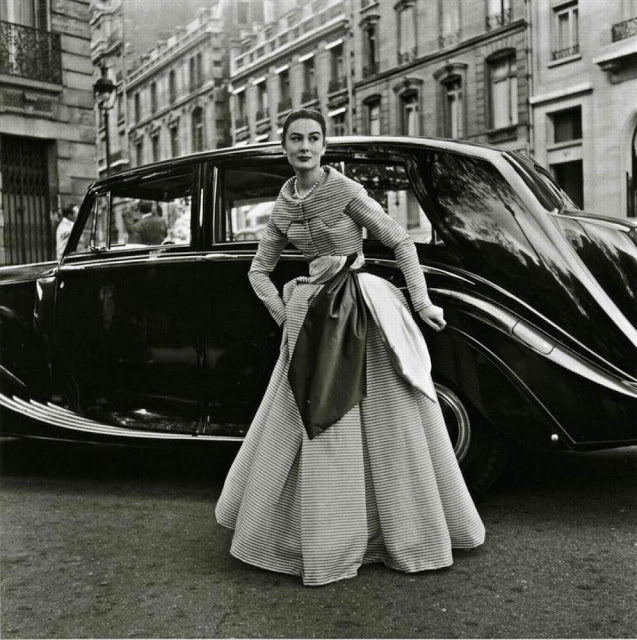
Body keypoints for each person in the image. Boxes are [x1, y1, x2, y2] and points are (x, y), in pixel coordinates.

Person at [215, 109, 485, 587]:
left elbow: (401, 241)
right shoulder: (282, 205)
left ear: (324, 146)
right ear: (284, 146)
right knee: (314, 423)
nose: (304, 147)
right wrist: (283, 312)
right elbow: (258, 271)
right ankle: (328, 531)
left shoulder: (344, 191)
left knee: (384, 422)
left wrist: (421, 302)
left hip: (361, 310)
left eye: (313, 138)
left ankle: (399, 532)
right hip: (309, 318)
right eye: (295, 139)